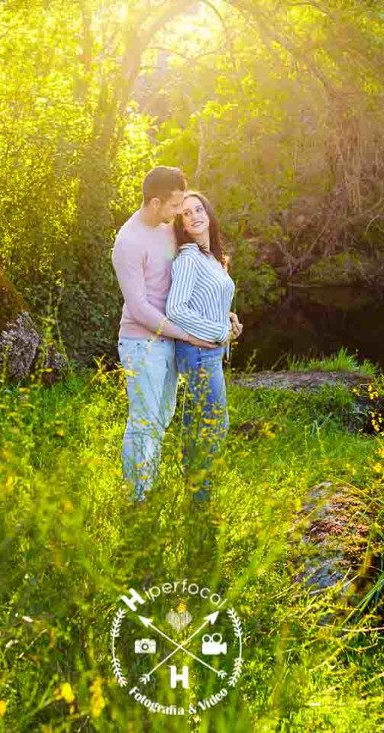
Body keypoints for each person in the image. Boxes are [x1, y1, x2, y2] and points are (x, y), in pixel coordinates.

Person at [111, 167, 218, 502]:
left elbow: (192, 273)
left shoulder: (166, 226)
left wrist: (222, 313)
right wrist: (189, 335)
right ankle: (137, 498)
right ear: (155, 202)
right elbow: (140, 308)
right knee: (144, 420)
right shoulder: (128, 242)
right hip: (141, 341)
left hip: (170, 336)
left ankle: (148, 485)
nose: (179, 213)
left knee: (162, 416)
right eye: (174, 206)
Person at [165, 191, 242, 502]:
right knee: (214, 425)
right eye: (186, 213)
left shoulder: (210, 257)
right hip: (198, 354)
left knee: (196, 424)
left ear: (208, 213)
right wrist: (221, 331)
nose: (195, 215)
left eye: (199, 209)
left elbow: (207, 301)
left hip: (207, 353)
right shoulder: (188, 258)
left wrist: (229, 317)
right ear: (182, 224)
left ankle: (194, 494)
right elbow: (177, 310)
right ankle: (201, 501)